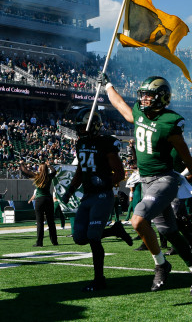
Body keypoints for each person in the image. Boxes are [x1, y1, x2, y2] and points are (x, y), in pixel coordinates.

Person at [100, 74, 192, 296]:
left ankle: (161, 264)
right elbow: (121, 105)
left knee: (137, 220)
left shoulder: (170, 122)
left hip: (165, 179)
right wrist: (107, 86)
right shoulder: (139, 113)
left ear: (162, 97)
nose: (144, 99)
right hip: (146, 180)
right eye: (143, 95)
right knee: (169, 231)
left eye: (149, 96)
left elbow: (186, 157)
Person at [61, 107, 133, 292]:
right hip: (87, 196)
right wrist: (70, 189)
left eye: (83, 126)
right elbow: (80, 170)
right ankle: (115, 230)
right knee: (79, 237)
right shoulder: (80, 144)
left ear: (93, 126)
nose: (80, 130)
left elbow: (120, 173)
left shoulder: (106, 144)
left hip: (102, 195)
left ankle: (99, 279)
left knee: (93, 236)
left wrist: (105, 181)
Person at [20, 160, 58, 247]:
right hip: (48, 199)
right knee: (51, 222)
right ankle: (54, 241)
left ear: (40, 169)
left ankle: (39, 242)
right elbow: (54, 171)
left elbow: (25, 171)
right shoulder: (49, 176)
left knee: (40, 222)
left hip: (39, 200)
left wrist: (21, 163)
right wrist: (49, 165)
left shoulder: (36, 176)